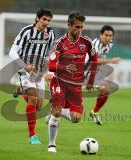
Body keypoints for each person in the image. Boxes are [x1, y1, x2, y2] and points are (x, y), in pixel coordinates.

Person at [47, 12, 98, 153]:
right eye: (77, 27)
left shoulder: (87, 42)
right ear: (69, 26)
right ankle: (51, 145)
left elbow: (95, 60)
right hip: (59, 82)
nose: (79, 30)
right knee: (57, 113)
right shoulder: (60, 43)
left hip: (75, 85)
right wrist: (64, 67)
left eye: (81, 27)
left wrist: (91, 80)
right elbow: (50, 65)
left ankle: (53, 111)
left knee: (76, 119)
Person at [8, 9, 55, 144]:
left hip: (40, 72)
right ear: (37, 19)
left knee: (38, 107)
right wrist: (24, 65)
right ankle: (32, 136)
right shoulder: (26, 31)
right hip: (25, 70)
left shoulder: (50, 33)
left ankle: (20, 90)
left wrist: (51, 71)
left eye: (48, 20)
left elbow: (52, 52)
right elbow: (12, 51)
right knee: (33, 99)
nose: (46, 22)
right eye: (44, 19)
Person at [88, 25, 121, 125]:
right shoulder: (94, 44)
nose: (108, 38)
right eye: (106, 35)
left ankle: (94, 112)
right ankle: (53, 113)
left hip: (94, 71)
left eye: (110, 36)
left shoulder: (109, 44)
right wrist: (111, 60)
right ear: (101, 35)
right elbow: (94, 61)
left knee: (105, 90)